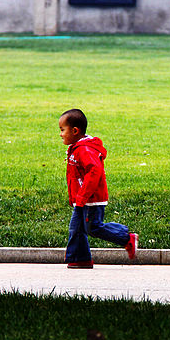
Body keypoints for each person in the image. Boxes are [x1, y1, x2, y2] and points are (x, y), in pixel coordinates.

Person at [59, 108, 138, 269]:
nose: (60, 134)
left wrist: (81, 198)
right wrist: (75, 198)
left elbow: (94, 171)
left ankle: (126, 237)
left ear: (75, 131)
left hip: (91, 199)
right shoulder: (77, 148)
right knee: (76, 228)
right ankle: (80, 258)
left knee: (93, 227)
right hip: (81, 199)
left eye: (62, 130)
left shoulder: (84, 150)